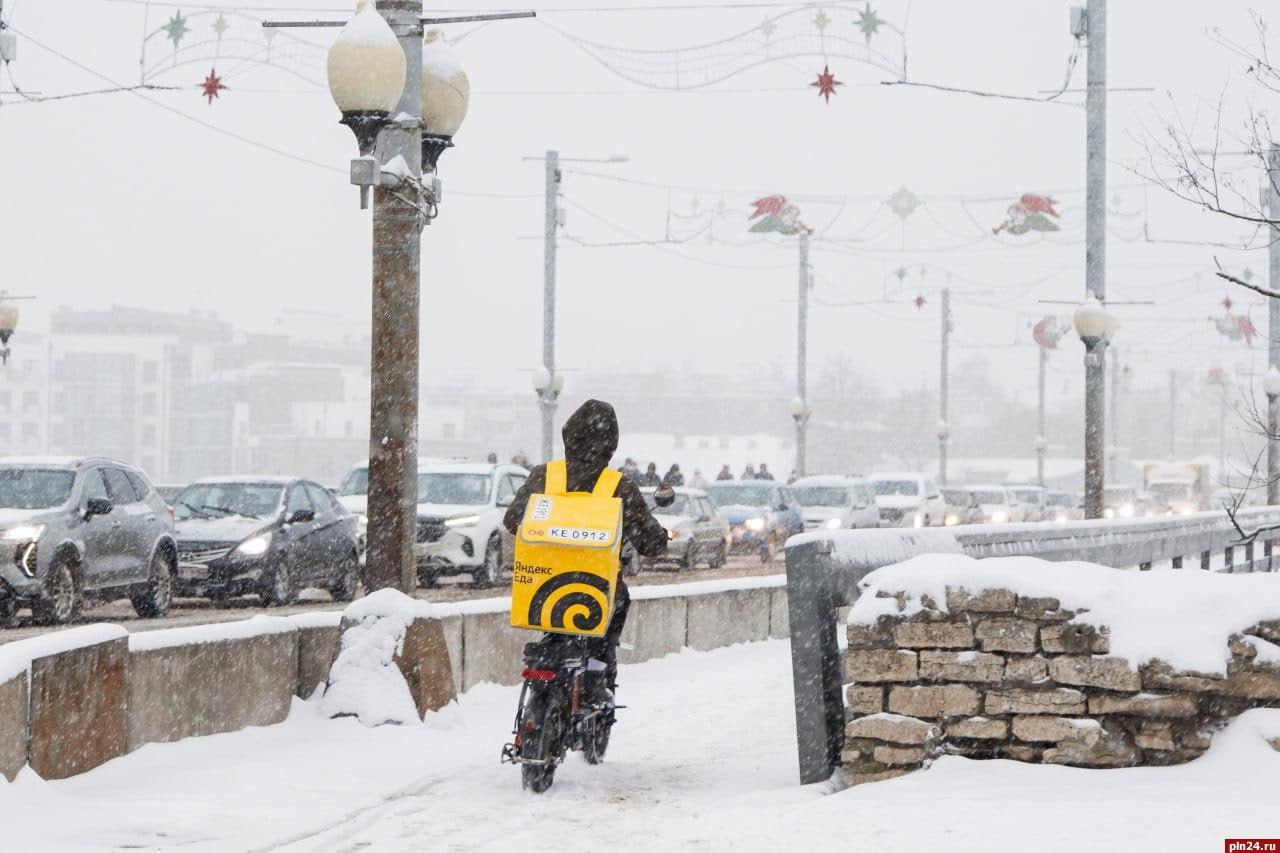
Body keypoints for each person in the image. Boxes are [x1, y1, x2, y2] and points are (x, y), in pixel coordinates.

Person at [503, 400, 668, 696]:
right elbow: (649, 543)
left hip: (543, 586)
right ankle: (596, 672)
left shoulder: (544, 476)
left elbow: (513, 520)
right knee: (617, 606)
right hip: (596, 591)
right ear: (611, 443)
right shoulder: (618, 485)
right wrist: (659, 538)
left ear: (569, 435)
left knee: (553, 622)